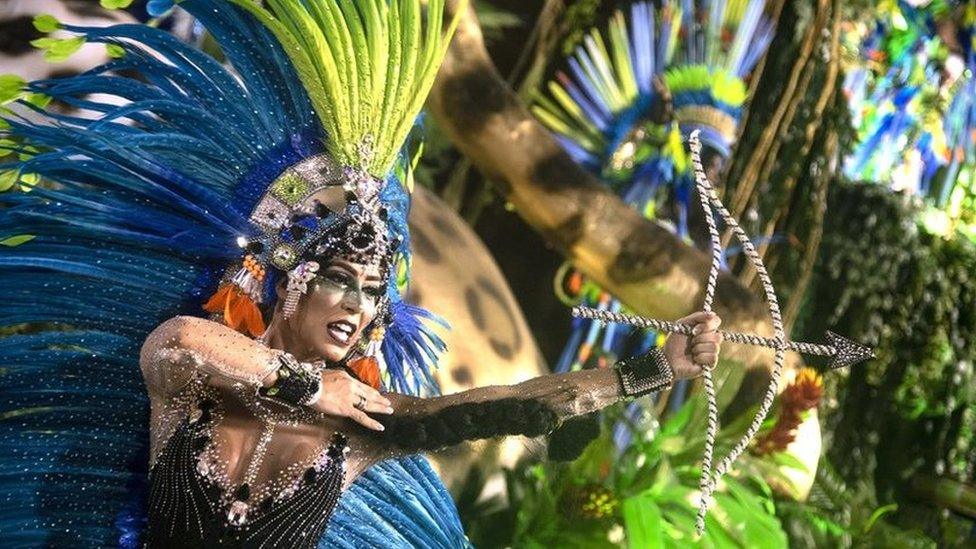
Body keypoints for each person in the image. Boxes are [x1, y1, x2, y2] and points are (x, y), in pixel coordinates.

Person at [0, 0, 722, 546]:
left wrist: (654, 370)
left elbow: (517, 401)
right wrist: (315, 385)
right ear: (288, 276)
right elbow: (179, 341)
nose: (361, 307)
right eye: (344, 279)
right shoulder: (197, 385)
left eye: (377, 295)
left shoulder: (370, 429)